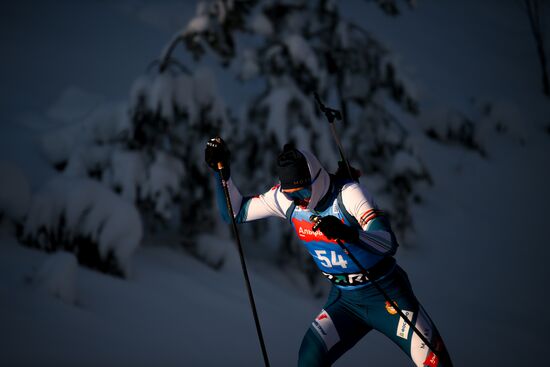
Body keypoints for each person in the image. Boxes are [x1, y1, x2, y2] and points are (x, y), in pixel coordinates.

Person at [205, 137, 453, 367]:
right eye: (290, 195)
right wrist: (222, 173)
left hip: (386, 294)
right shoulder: (284, 199)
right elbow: (234, 213)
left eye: (302, 193)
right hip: (346, 301)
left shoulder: (348, 195)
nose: (297, 201)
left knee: (435, 362)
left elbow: (388, 243)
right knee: (309, 357)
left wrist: (350, 234)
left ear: (316, 179)